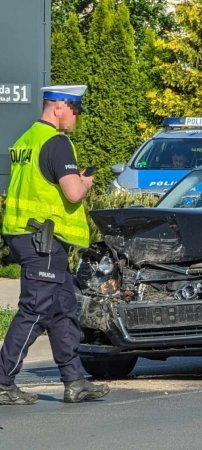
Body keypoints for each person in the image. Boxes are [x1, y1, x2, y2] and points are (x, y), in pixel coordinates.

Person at [0, 85, 110, 405]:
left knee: (63, 309)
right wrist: (86, 179)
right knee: (35, 310)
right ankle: (3, 381)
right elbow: (73, 193)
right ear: (59, 106)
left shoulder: (26, 140)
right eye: (75, 109)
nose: (77, 116)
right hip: (42, 241)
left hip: (28, 236)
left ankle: (74, 381)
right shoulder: (57, 142)